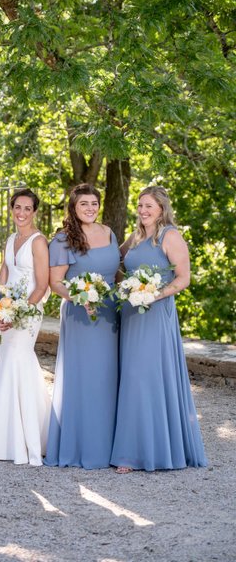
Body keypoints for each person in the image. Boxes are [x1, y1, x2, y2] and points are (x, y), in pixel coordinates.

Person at [111, 186, 207, 473]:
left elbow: (183, 278)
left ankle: (144, 453)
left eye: (149, 206)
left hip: (156, 314)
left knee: (146, 377)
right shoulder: (137, 235)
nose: (142, 211)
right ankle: (133, 448)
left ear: (162, 208)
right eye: (140, 205)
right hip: (131, 314)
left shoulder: (170, 236)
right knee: (131, 376)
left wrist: (155, 294)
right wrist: (125, 286)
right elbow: (115, 261)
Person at [44, 183, 120, 469]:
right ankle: (81, 445)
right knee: (84, 377)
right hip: (81, 314)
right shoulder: (63, 240)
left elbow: (118, 271)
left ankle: (111, 445)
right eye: (83, 204)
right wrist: (79, 297)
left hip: (111, 313)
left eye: (93, 203)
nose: (90, 208)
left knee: (108, 376)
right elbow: (55, 283)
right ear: (73, 208)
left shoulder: (109, 233)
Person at [0, 188, 51, 466]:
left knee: (19, 361)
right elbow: (3, 274)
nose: (21, 213)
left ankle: (30, 440)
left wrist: (19, 312)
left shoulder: (38, 241)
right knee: (4, 362)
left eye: (27, 208)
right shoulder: (11, 238)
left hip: (28, 311)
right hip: (7, 309)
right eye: (17, 207)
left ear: (35, 212)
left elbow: (43, 283)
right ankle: (4, 440)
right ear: (11, 209)